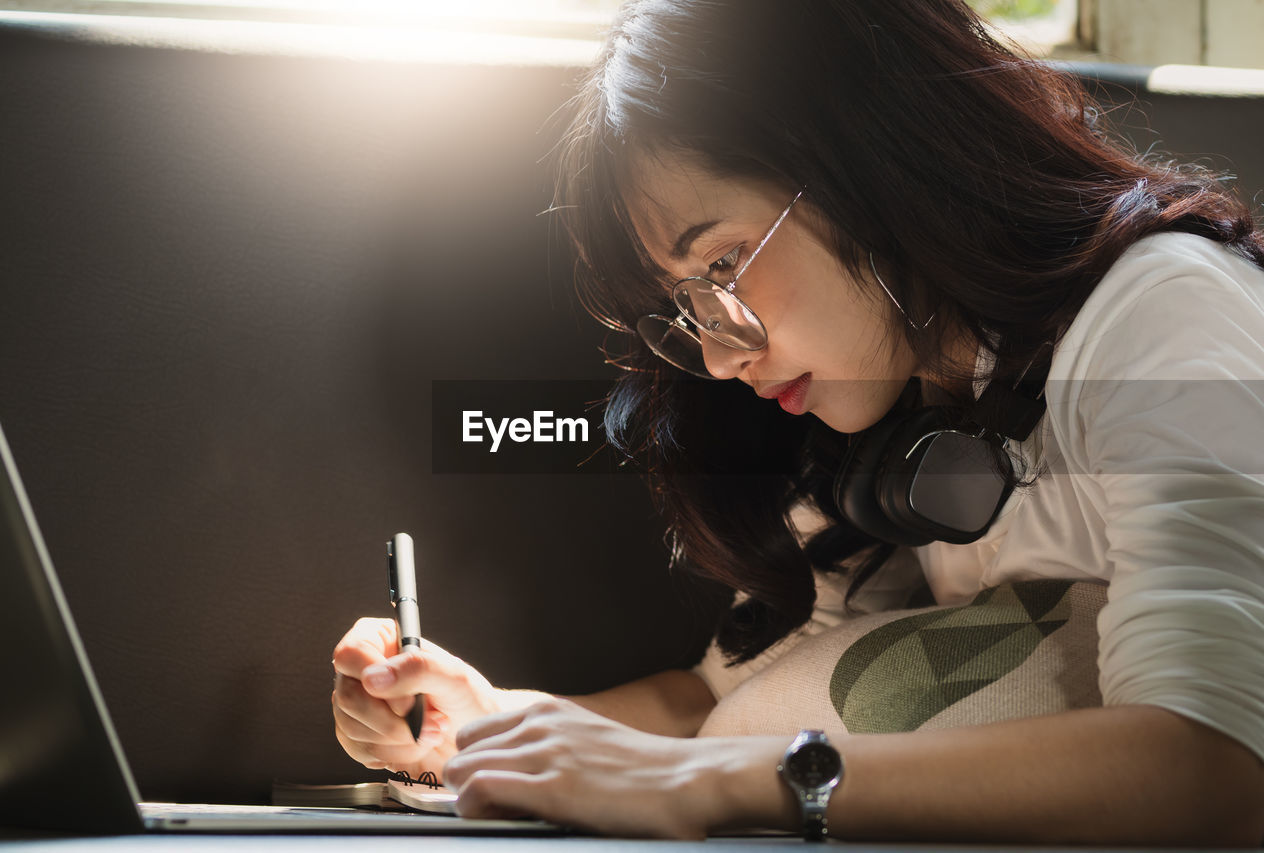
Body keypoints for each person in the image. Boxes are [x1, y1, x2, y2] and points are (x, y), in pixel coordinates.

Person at [332, 0, 1264, 843]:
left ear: (874, 158)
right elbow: (718, 694)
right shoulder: (892, 401)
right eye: (688, 305)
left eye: (726, 266)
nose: (720, 354)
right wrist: (493, 729)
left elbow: (1218, 769)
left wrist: (737, 776)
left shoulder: (1162, 312)